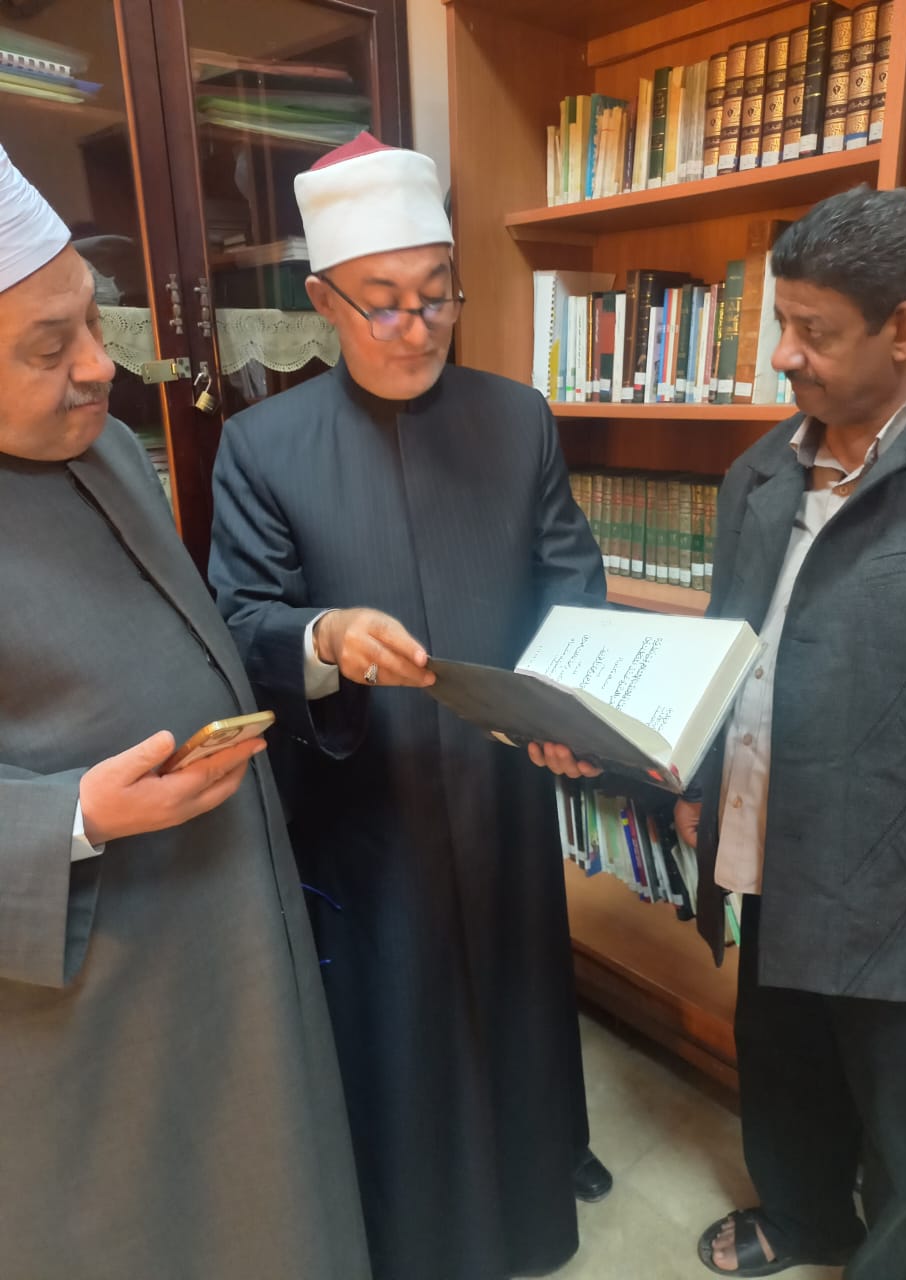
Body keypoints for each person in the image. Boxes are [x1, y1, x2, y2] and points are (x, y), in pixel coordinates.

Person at [208, 133, 611, 1280]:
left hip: (498, 785)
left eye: (437, 295)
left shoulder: (517, 416)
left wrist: (572, 709)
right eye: (381, 302)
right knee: (399, 1027)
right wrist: (326, 636)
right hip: (366, 798)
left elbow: (569, 583)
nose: (416, 327)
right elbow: (239, 618)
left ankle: (532, 1200)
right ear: (323, 302)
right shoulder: (262, 445)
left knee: (519, 1004)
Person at [0, 145, 370, 1278]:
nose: (98, 367)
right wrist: (75, 817)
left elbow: (191, 635)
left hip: (231, 915)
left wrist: (313, 647)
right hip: (96, 986)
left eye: (93, 318)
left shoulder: (110, 447)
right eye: (48, 347)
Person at [673, 185, 906, 1280]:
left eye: (813, 330)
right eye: (779, 321)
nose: (781, 354)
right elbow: (726, 644)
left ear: (904, 327)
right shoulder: (761, 469)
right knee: (783, 1059)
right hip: (769, 840)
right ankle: (804, 1220)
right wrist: (695, 774)